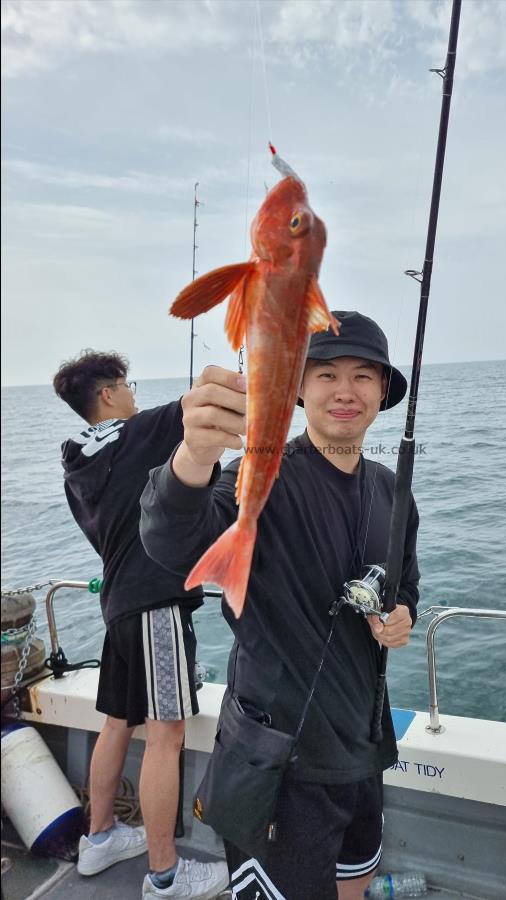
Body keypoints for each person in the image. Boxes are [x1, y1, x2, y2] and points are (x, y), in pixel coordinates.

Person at [140, 311, 420, 900]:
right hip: (279, 763)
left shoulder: (393, 491)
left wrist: (401, 617)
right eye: (326, 374)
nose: (345, 391)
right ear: (297, 388)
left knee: (356, 879)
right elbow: (174, 538)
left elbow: (405, 582)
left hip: (363, 748)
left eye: (364, 376)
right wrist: (192, 458)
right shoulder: (259, 479)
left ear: (384, 392)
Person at [52, 350, 230, 900]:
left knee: (117, 723)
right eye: (126, 386)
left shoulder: (77, 464)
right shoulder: (139, 432)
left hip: (118, 610)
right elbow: (208, 399)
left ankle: (99, 837)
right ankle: (165, 875)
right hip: (156, 602)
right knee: (166, 734)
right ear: (107, 395)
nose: (133, 395)